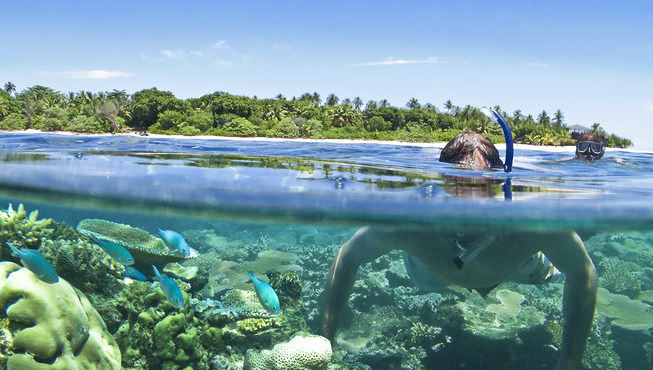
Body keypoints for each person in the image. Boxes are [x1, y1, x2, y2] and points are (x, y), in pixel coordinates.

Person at [320, 109, 597, 370]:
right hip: (430, 273)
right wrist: (326, 336)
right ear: (441, 183)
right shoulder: (410, 225)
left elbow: (583, 272)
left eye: (482, 188)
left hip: (519, 267)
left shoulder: (532, 224)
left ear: (501, 183)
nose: (470, 208)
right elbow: (348, 257)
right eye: (458, 189)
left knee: (556, 267)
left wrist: (569, 362)